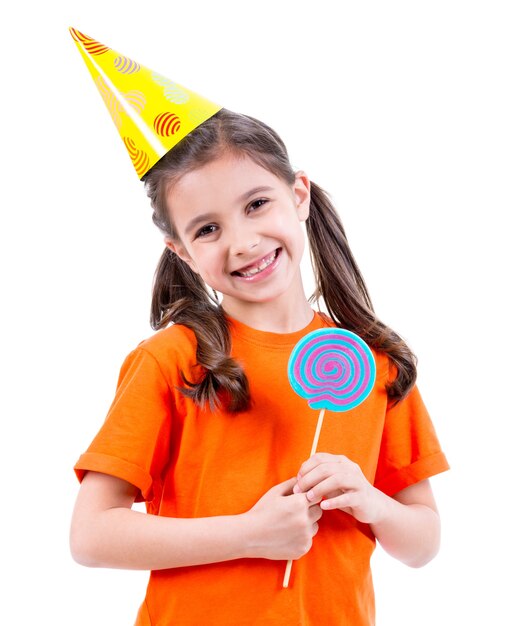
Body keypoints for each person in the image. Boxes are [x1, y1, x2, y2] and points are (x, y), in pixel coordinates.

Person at [69, 28, 449, 626]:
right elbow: (91, 537)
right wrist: (248, 534)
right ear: (182, 252)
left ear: (298, 194)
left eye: (256, 204)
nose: (242, 243)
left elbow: (423, 541)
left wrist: (370, 501)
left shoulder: (372, 363)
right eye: (207, 229)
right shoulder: (172, 360)